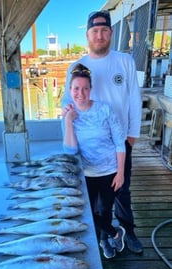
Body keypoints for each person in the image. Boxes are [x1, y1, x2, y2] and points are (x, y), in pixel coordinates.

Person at [61, 10, 143, 254]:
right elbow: (68, 100)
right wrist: (66, 116)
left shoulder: (125, 61)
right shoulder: (77, 66)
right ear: (87, 35)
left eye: (104, 30)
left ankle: (129, 232)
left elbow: (134, 99)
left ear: (110, 33)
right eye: (95, 31)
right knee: (95, 199)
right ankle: (103, 235)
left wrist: (133, 134)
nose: (100, 35)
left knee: (122, 189)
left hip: (120, 139)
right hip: (90, 145)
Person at [62, 63, 126, 259]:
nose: (80, 93)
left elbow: (119, 143)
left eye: (84, 88)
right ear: (69, 90)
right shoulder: (67, 114)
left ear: (90, 89)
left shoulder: (104, 110)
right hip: (84, 174)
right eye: (76, 88)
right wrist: (68, 121)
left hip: (109, 170)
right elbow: (71, 150)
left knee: (105, 209)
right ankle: (114, 232)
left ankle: (104, 240)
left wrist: (121, 172)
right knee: (86, 212)